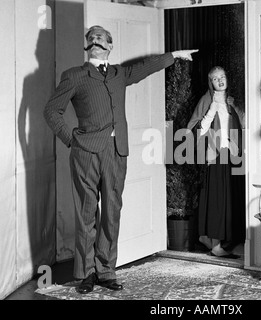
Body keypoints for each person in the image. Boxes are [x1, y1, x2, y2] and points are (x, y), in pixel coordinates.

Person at [43, 25, 198, 294]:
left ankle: (106, 271)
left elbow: (145, 66)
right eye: (91, 38)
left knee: (112, 213)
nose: (96, 40)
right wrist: (72, 139)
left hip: (117, 152)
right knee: (86, 214)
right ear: (87, 46)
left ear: (110, 46)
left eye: (101, 37)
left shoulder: (118, 74)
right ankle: (85, 274)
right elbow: (51, 111)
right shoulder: (75, 76)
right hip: (86, 153)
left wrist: (174, 54)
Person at [187, 66, 245, 258]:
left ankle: (217, 239)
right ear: (210, 82)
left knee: (229, 197)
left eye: (222, 77)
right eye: (215, 78)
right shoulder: (207, 100)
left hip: (232, 154)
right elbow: (196, 129)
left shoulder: (231, 101)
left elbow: (239, 125)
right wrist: (212, 109)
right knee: (216, 198)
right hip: (214, 154)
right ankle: (215, 244)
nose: (220, 81)